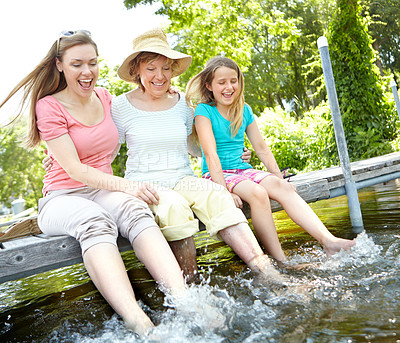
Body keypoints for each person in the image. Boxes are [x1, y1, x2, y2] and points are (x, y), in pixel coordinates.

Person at [0, 30, 187, 336]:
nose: (87, 72)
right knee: (95, 220)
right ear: (59, 65)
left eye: (92, 63)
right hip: (62, 197)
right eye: (77, 64)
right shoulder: (49, 105)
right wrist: (125, 184)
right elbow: (74, 169)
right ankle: (138, 320)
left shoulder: (104, 97)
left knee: (136, 209)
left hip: (103, 190)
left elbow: (130, 133)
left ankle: (186, 300)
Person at [111, 28, 284, 283]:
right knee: (174, 207)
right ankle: (190, 289)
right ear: (136, 70)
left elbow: (198, 146)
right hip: (146, 184)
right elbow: (105, 153)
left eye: (166, 68)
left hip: (183, 178)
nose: (160, 76)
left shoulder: (182, 104)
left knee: (218, 195)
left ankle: (269, 274)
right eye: (151, 68)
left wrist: (235, 153)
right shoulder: (120, 106)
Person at [186, 56, 356, 265]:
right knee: (258, 194)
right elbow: (211, 155)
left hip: (242, 170)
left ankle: (329, 241)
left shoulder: (244, 110)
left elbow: (262, 148)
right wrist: (224, 192)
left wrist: (278, 177)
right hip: (216, 175)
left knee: (281, 187)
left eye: (233, 80)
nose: (229, 87)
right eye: (221, 82)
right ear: (209, 85)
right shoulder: (205, 111)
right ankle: (280, 260)